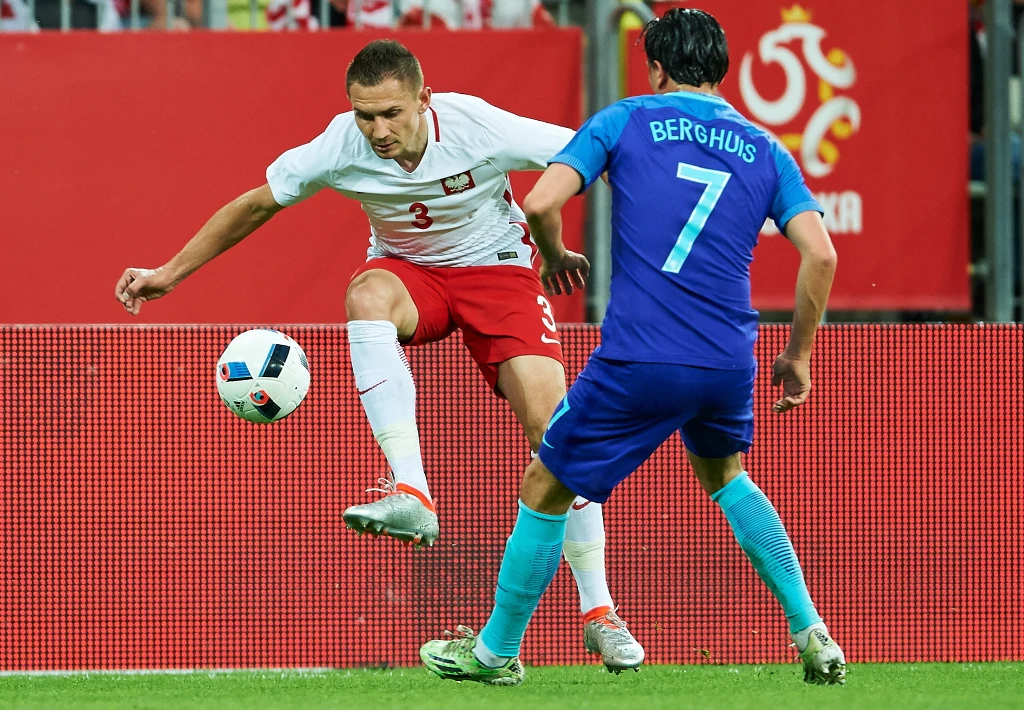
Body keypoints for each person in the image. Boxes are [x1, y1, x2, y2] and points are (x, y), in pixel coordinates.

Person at [113, 39, 644, 672]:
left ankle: (599, 613)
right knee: (365, 293)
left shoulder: (479, 126)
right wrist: (170, 273)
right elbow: (256, 204)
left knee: (556, 434)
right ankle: (412, 492)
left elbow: (596, 153)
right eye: (365, 115)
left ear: (425, 98)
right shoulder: (341, 145)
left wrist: (586, 244)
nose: (378, 130)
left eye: (391, 113)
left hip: (498, 273)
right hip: (411, 277)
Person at [420, 8, 846, 686]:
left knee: (544, 484)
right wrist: (798, 356)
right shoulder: (767, 148)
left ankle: (495, 652)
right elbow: (820, 254)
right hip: (727, 360)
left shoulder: (625, 120)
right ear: (722, 69)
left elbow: (538, 204)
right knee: (726, 476)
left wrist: (555, 253)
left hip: (643, 357)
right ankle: (813, 631)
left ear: (655, 66)